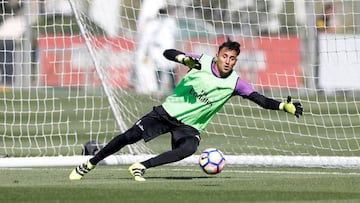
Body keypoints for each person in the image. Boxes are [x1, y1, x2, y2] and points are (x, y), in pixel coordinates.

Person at [69, 39, 303, 181]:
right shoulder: (201, 61)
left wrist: (284, 106)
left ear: (236, 61)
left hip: (190, 126)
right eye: (225, 56)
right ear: (218, 55)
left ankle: (140, 166)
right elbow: (167, 53)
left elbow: (260, 100)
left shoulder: (236, 83)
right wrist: (182, 58)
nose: (228, 61)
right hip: (167, 112)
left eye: (232, 58)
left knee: (188, 148)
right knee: (128, 137)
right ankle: (90, 163)